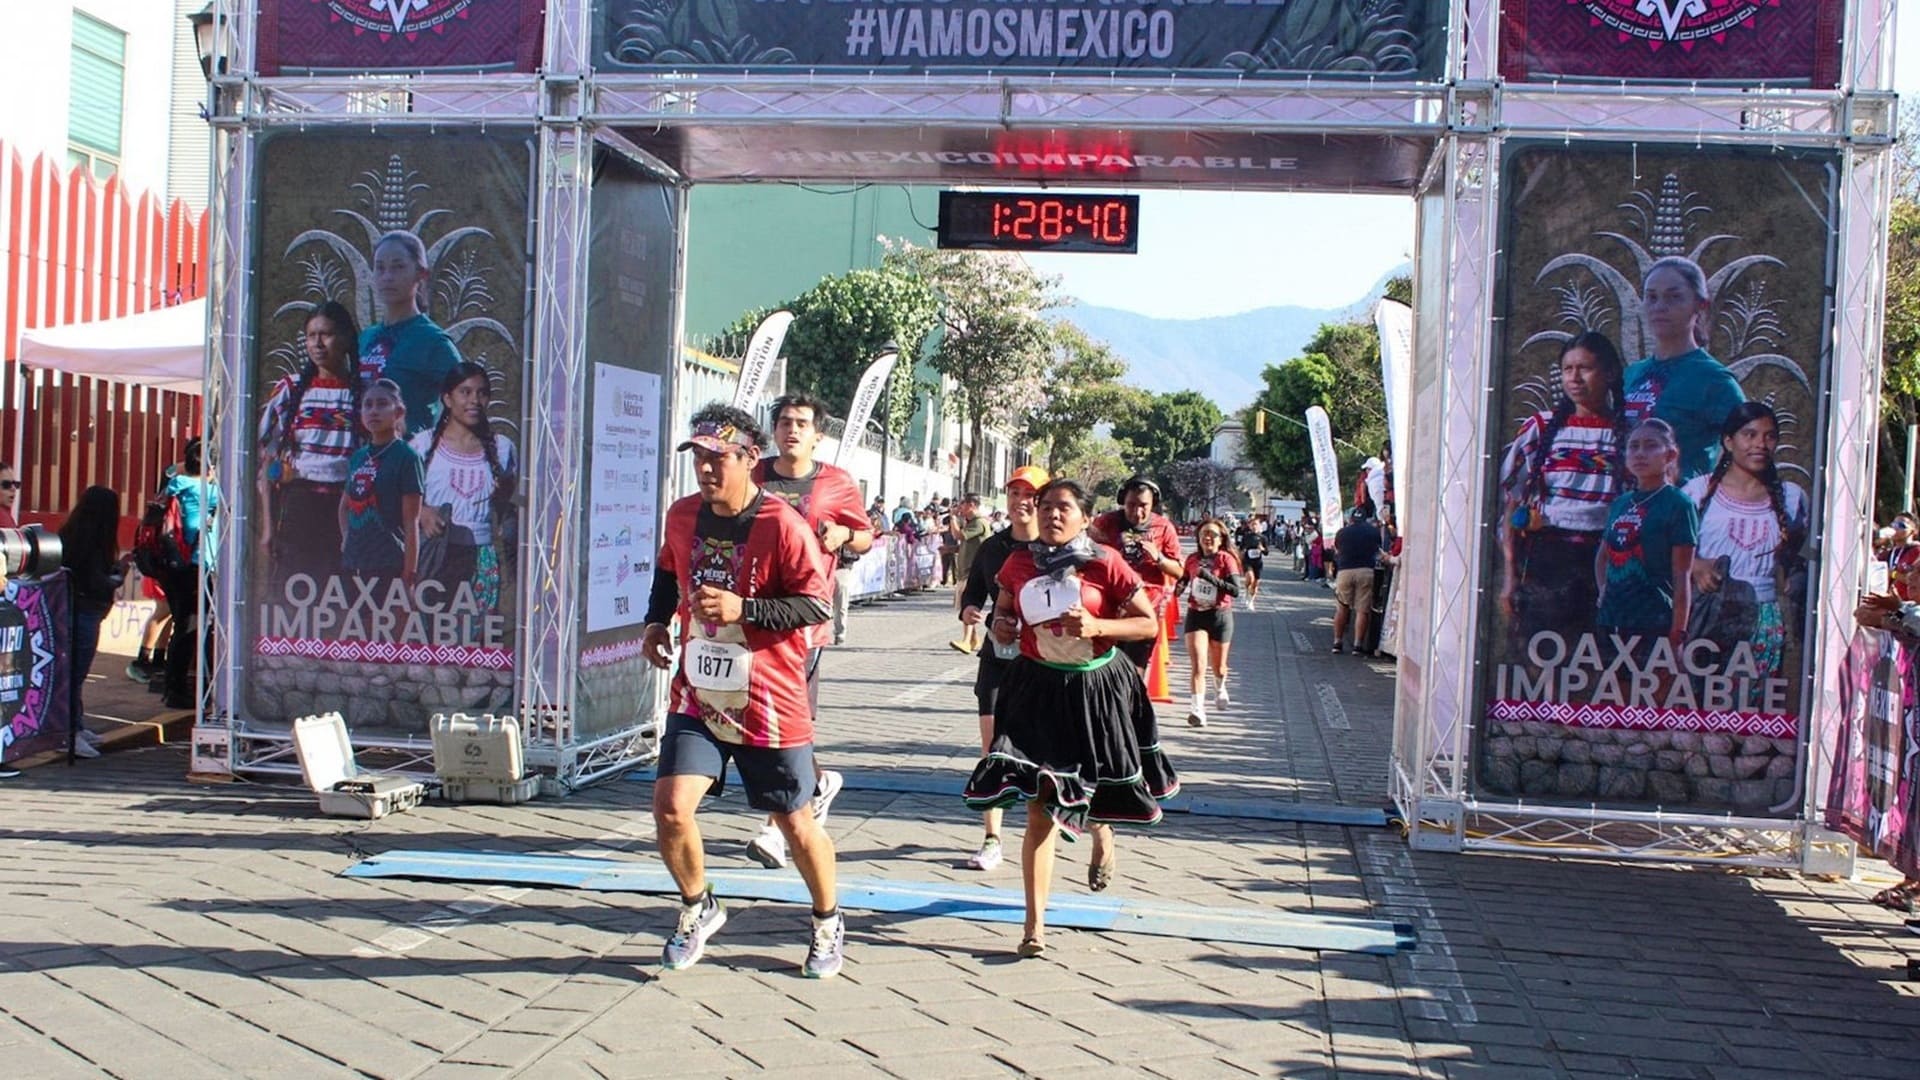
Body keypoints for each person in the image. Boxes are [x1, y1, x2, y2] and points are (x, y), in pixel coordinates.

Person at [640, 403, 843, 977]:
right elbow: (666, 571)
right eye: (698, 458)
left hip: (770, 700)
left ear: (750, 460)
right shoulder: (681, 516)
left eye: (718, 458)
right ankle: (697, 906)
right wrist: (656, 622)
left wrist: (744, 608)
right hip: (699, 693)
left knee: (794, 823)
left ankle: (827, 919)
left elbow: (814, 603)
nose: (705, 469)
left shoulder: (781, 524)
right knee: (671, 808)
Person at [963, 478, 1179, 957]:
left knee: (1096, 788)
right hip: (1037, 687)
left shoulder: (1104, 562)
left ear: (1084, 517)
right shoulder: (1018, 562)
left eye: (1063, 508)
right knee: (1040, 808)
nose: (1051, 515)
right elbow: (1004, 614)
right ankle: (1033, 928)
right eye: (1045, 507)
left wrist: (1099, 625)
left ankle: (1103, 837)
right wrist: (1002, 624)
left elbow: (1147, 622)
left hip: (1095, 687)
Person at [742, 392, 871, 870]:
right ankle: (817, 785)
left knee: (786, 725)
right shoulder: (753, 476)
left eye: (801, 423)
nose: (791, 430)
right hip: (750, 616)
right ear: (773, 431)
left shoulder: (836, 483)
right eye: (783, 422)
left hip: (803, 624)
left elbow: (865, 534)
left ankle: (776, 830)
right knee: (761, 722)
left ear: (819, 435)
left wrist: (842, 536)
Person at [1497, 332, 1630, 644]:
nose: (1575, 378)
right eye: (1568, 369)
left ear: (1609, 373)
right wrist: (1510, 577)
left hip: (1607, 561)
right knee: (1545, 656)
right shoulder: (1540, 429)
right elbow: (1511, 503)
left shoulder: (1631, 434)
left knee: (1598, 659)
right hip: (1547, 562)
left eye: (1585, 368)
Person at [1086, 474, 1182, 886]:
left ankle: (1126, 763)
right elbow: (1081, 551)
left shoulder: (1164, 529)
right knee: (1096, 702)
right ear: (1121, 501)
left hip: (1143, 622)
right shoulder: (1104, 524)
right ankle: (1102, 798)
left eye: (1144, 506)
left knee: (1125, 697)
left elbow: (1179, 571)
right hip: (1104, 620)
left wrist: (1155, 558)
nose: (1137, 512)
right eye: (1130, 505)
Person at [957, 465, 1049, 872]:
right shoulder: (992, 548)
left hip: (1043, 664)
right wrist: (972, 610)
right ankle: (992, 837)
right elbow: (973, 592)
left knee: (1040, 751)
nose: (1020, 502)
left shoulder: (1056, 550)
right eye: (1014, 493)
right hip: (997, 658)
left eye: (1030, 494)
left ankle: (1041, 826)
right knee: (992, 748)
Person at [1681, 401, 1809, 681]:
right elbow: (1664, 550)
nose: (1760, 444)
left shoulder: (1791, 498)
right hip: (1706, 615)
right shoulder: (1697, 492)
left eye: (1769, 436)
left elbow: (1792, 551)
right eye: (1749, 435)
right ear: (1728, 441)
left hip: (1762, 620)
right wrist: (1696, 566)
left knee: (1751, 708)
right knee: (1698, 704)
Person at [258, 301, 362, 588]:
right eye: (310, 336)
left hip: (348, 508)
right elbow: (268, 458)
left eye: (325, 334)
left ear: (344, 338)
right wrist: (268, 527)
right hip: (300, 507)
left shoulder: (365, 393)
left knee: (343, 597)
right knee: (297, 595)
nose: (317, 343)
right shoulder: (290, 390)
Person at [1622, 256, 1745, 483]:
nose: (1659, 307)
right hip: (1626, 508)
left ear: (1700, 305)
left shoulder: (1715, 380)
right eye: (1651, 297)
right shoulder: (1631, 375)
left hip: (1681, 510)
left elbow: (1748, 452)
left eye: (1674, 297)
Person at [410, 362, 518, 612]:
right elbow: (396, 497)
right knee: (431, 634)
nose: (474, 400)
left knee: (476, 637)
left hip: (481, 559)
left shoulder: (502, 449)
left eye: (482, 393)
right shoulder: (423, 445)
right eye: (465, 392)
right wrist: (423, 513)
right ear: (447, 399)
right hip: (433, 558)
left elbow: (505, 493)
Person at [1595, 419, 1697, 655]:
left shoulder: (1679, 504)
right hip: (1612, 619)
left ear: (1670, 455)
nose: (1640, 453)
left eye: (1650, 446)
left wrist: (1678, 633)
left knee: (1654, 690)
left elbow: (1682, 575)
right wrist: (1604, 592)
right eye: (1634, 446)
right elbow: (1602, 557)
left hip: (1655, 620)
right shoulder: (1621, 503)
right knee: (1613, 690)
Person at [359, 230, 461, 437]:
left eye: (398, 267)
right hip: (363, 460)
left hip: (410, 459)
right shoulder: (365, 338)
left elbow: (466, 401)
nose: (387, 277)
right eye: (380, 268)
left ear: (421, 274)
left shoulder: (433, 341)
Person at [60, 485, 128, 759]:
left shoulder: (76, 536)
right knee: (75, 673)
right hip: (84, 610)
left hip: (83, 609)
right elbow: (92, 580)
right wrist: (117, 577)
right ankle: (70, 732)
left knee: (75, 674)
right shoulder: (88, 541)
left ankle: (76, 725)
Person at [338, 379, 424, 586]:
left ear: (398, 412)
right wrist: (348, 540)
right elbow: (344, 508)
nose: (374, 411)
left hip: (390, 565)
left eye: (382, 404)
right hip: (354, 564)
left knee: (388, 619)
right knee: (354, 619)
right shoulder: (358, 457)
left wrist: (409, 575)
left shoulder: (407, 457)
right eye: (368, 405)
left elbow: (412, 522)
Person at [158, 438, 220, 710]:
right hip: (200, 565)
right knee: (197, 627)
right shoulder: (211, 490)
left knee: (183, 625)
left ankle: (174, 685)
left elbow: (171, 471)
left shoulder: (175, 485)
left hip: (176, 566)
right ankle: (187, 688)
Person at [1181, 519, 1241, 728]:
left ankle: (1220, 685)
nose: (1208, 538)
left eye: (1213, 535)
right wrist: (1178, 588)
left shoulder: (1226, 559)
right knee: (1198, 664)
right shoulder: (1192, 559)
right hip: (1196, 614)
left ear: (1221, 538)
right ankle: (1197, 710)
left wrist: (1210, 578)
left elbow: (1235, 590)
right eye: (1204, 533)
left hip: (1220, 616)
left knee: (1220, 667)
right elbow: (1184, 579)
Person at [1331, 509, 1381, 655]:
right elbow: (1377, 550)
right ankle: (1357, 645)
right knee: (1362, 609)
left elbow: (1337, 549)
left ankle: (1337, 642)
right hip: (1366, 571)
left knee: (1342, 608)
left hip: (1345, 570)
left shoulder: (1342, 532)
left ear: (1351, 519)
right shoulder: (1373, 532)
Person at [949, 494, 989, 654]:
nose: (960, 508)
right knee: (965, 605)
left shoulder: (979, 522)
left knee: (968, 606)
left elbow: (959, 535)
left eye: (963, 504)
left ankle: (966, 640)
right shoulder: (970, 523)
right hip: (964, 571)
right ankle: (974, 639)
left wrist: (952, 519)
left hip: (973, 572)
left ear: (972, 505)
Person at [1233, 516, 1266, 611]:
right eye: (1252, 524)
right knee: (1250, 578)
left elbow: (1266, 552)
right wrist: (1240, 556)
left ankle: (1251, 601)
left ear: (1260, 526)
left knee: (1255, 584)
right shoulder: (1246, 537)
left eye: (1256, 524)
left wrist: (1262, 549)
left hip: (1258, 563)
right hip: (1247, 561)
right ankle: (1247, 591)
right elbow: (1241, 548)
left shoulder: (1263, 538)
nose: (1254, 526)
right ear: (1250, 526)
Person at [1887, 513, 1920, 600]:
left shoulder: (1916, 551)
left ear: (1914, 530)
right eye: (1893, 525)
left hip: (1908, 604)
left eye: (1901, 525)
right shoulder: (1888, 553)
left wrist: (1892, 574)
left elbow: (1912, 579)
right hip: (1889, 602)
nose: (1895, 528)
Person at [0, 462, 19, 529]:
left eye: (16, 484)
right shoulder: (2, 517)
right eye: (6, 485)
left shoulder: (6, 515)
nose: (13, 489)